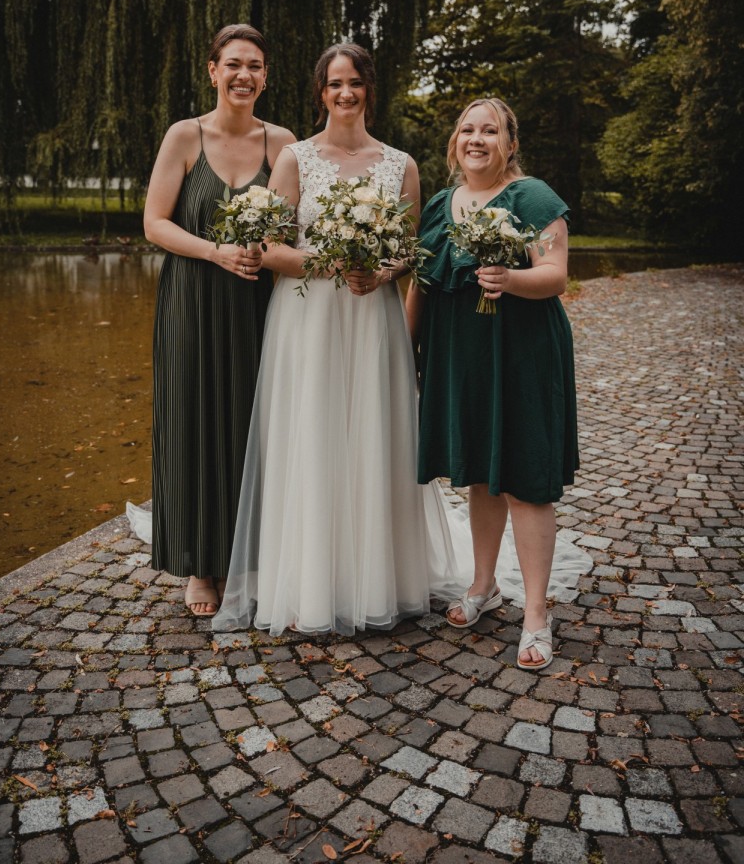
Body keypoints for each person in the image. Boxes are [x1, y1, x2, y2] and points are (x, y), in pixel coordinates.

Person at [213, 43, 469, 636]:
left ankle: (379, 581)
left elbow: (410, 252)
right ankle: (310, 585)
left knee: (374, 435)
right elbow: (269, 249)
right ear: (321, 92)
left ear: (369, 89)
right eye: (334, 84)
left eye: (354, 82)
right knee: (314, 436)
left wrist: (380, 272)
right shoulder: (296, 159)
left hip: (373, 315)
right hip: (308, 321)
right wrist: (330, 263)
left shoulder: (400, 165)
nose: (345, 93)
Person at [406, 97, 580, 669]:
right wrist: (404, 349)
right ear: (455, 142)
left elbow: (555, 274)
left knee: (526, 477)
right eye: (467, 130)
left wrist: (511, 278)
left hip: (523, 353)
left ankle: (536, 614)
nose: (476, 139)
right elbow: (421, 283)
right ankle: (484, 584)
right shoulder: (440, 204)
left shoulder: (531, 198)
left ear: (510, 144)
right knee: (480, 470)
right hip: (461, 355)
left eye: (489, 131)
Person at [143, 25, 294, 616]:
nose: (243, 76)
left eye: (254, 66)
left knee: (252, 422)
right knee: (193, 420)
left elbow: (296, 226)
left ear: (265, 76)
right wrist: (215, 251)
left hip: (258, 304)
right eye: (233, 64)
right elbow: (155, 223)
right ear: (213, 71)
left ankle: (249, 551)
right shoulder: (185, 136)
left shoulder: (282, 144)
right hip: (192, 300)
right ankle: (199, 566)